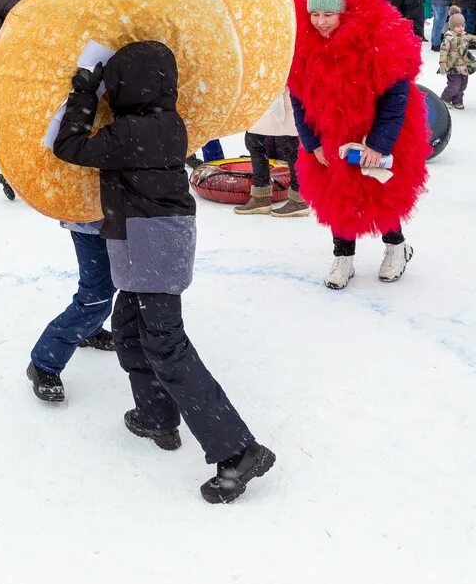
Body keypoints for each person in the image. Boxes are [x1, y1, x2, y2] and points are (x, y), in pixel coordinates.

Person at [53, 40, 275, 504]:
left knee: (165, 344)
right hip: (151, 239)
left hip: (150, 242)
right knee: (131, 329)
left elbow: (68, 146)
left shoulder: (133, 131)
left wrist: (84, 96)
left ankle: (238, 450)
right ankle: (155, 415)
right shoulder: (167, 124)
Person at [289, 0, 428, 290]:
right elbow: (298, 98)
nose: (320, 22)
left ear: (346, 11)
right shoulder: (304, 46)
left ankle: (397, 247)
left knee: (382, 193)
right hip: (328, 136)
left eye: (328, 14)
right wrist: (312, 143)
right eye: (315, 14)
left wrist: (378, 144)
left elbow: (396, 99)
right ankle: (343, 256)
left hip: (374, 136)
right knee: (336, 196)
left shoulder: (379, 41)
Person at [25, 223, 117, 402]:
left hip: (119, 220)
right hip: (90, 223)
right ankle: (44, 362)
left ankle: (90, 331)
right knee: (95, 298)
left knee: (110, 283)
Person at [233, 88, 308, 216]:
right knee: (253, 140)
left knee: (290, 145)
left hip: (287, 96)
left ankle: (299, 199)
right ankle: (261, 195)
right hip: (264, 95)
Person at [438, 12, 476, 109]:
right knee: (454, 85)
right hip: (452, 66)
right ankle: (445, 99)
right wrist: (442, 63)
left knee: (462, 85)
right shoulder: (448, 38)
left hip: (464, 66)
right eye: (457, 26)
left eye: (462, 25)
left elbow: (475, 38)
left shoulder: (465, 35)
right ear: (451, 27)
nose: (461, 28)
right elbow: (444, 51)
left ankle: (457, 101)